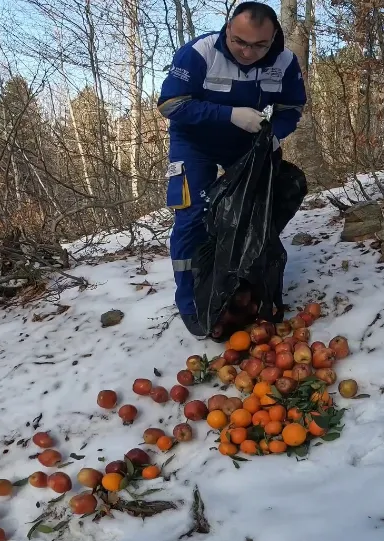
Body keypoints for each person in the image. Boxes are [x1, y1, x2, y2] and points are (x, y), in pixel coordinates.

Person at [157, 1, 307, 338]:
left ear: (273, 39)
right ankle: (194, 306)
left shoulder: (283, 61)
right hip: (193, 143)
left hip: (246, 142)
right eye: (240, 42)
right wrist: (228, 114)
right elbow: (170, 104)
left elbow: (291, 106)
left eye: (259, 45)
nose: (248, 52)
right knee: (193, 215)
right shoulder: (200, 53)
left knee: (251, 212)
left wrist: (275, 135)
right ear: (228, 29)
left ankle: (243, 288)